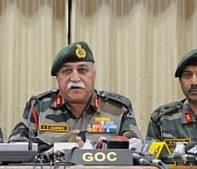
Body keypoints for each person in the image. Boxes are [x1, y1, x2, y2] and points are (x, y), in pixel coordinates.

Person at [9, 41, 142, 150]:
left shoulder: (118, 108)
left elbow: (136, 149)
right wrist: (50, 151)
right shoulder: (38, 107)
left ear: (94, 75)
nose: (75, 78)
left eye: (82, 70)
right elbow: (14, 150)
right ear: (58, 78)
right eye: (67, 71)